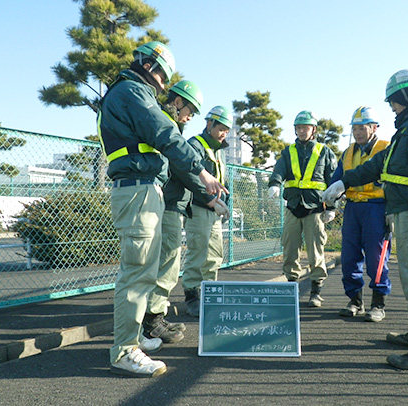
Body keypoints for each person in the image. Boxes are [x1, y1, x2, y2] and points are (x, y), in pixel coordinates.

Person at [97, 41, 227, 378]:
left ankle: (135, 337)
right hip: (138, 190)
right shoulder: (132, 91)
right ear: (146, 65)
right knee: (138, 271)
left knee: (144, 268)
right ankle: (125, 350)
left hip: (142, 189)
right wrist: (200, 170)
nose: (161, 82)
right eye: (159, 73)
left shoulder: (127, 92)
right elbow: (163, 131)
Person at [322, 69, 408, 370]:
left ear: (404, 97)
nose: (392, 107)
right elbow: (380, 164)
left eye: (393, 101)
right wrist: (345, 182)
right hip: (404, 210)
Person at [141, 80, 228, 344]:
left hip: (173, 203)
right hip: (171, 203)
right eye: (189, 110)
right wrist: (210, 198)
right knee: (169, 259)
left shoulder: (174, 130)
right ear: (177, 102)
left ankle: (154, 318)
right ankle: (152, 322)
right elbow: (185, 170)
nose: (190, 116)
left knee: (172, 259)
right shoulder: (180, 136)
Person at [268, 110, 337, 307]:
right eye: (298, 127)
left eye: (305, 127)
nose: (301, 131)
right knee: (290, 250)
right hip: (293, 207)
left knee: (316, 252)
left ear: (313, 130)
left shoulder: (324, 152)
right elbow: (279, 169)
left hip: (315, 209)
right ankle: (291, 288)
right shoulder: (288, 151)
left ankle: (316, 291)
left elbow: (332, 180)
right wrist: (274, 182)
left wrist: (331, 207)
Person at [329, 106, 392, 322]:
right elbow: (337, 180)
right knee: (349, 257)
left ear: (374, 127)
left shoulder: (387, 148)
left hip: (377, 208)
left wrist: (391, 212)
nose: (357, 133)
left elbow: (394, 181)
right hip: (353, 209)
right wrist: (330, 201)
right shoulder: (347, 153)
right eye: (354, 129)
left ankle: (378, 304)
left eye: (362, 128)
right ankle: (355, 300)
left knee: (377, 257)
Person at [181, 105, 233, 317]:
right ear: (209, 124)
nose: (223, 134)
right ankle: (192, 295)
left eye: (227, 131)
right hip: (199, 207)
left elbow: (224, 181)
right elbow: (191, 177)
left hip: (214, 211)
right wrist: (212, 200)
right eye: (221, 128)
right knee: (198, 250)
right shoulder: (196, 145)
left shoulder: (219, 151)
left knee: (214, 254)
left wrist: (226, 203)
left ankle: (209, 292)